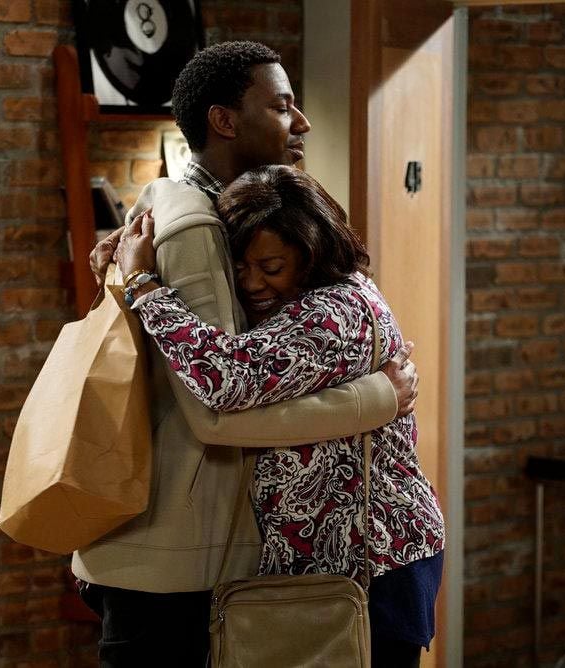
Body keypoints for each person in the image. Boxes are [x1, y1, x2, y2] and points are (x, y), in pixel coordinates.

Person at [77, 41, 418, 667]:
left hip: (210, 549)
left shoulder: (183, 207)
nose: (303, 123)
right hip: (174, 554)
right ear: (225, 121)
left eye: (271, 267)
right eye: (283, 106)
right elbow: (218, 398)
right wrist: (378, 396)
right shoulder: (196, 229)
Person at [119, 166, 445, 668]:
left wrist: (144, 286)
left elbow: (224, 378)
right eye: (240, 268)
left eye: (270, 266)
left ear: (311, 252)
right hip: (337, 562)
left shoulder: (333, 314)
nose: (252, 283)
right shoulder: (303, 303)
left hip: (376, 562)